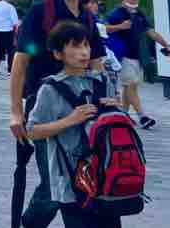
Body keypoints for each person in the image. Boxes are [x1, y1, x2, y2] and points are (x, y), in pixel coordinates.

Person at [10, 0, 104, 228]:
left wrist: (107, 98)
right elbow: (20, 61)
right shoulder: (42, 10)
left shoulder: (87, 17)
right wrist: (16, 112)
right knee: (54, 180)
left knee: (75, 174)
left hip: (82, 106)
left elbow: (97, 62)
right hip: (46, 104)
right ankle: (31, 223)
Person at [26, 20, 123, 228]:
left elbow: (117, 128)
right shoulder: (50, 89)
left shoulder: (102, 82)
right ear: (58, 54)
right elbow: (32, 131)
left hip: (105, 177)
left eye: (86, 45)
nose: (84, 52)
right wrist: (69, 120)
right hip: (70, 181)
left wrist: (116, 111)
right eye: (75, 46)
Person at [103, 0, 170, 129]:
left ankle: (122, 115)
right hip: (123, 56)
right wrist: (120, 26)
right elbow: (103, 29)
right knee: (131, 85)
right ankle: (142, 116)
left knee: (129, 86)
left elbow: (150, 31)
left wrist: (165, 44)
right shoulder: (116, 13)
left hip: (137, 56)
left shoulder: (139, 13)